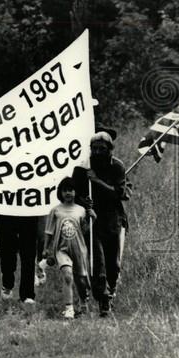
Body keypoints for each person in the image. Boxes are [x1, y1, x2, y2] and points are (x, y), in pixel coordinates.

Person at [72, 130, 129, 316]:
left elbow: (119, 194)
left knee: (114, 265)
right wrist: (83, 202)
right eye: (94, 149)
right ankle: (103, 300)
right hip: (92, 219)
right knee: (99, 263)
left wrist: (96, 181)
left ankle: (110, 292)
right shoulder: (81, 168)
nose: (97, 152)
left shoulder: (117, 167)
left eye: (102, 149)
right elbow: (72, 195)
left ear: (110, 149)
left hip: (113, 218)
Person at [41, 177, 93, 319]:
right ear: (60, 193)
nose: (68, 193)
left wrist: (91, 219)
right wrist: (46, 249)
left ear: (75, 192)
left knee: (81, 279)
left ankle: (83, 302)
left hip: (79, 249)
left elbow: (86, 231)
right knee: (68, 276)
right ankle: (69, 309)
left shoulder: (81, 210)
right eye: (65, 190)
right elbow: (49, 231)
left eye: (71, 190)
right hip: (61, 249)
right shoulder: (55, 211)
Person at [0, 213, 40, 306]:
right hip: (6, 210)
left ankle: (28, 294)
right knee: (7, 250)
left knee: (29, 252)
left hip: (28, 211)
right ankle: (7, 285)